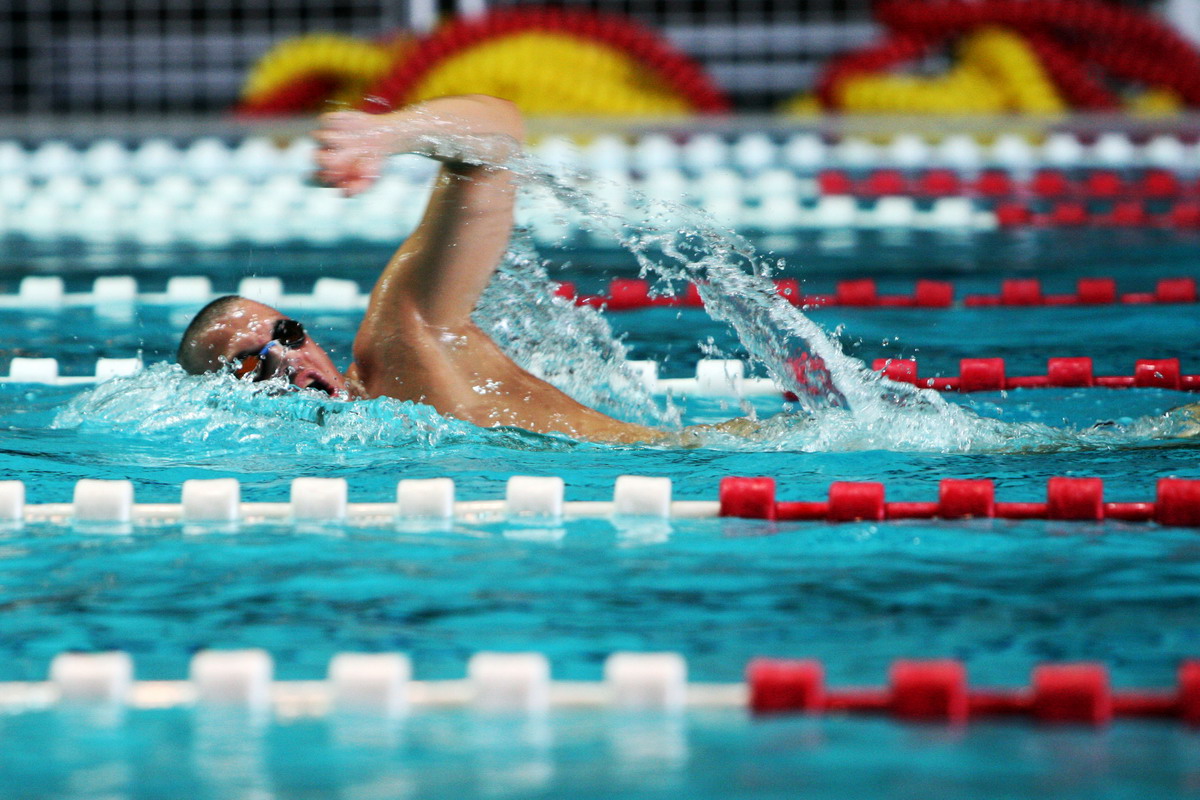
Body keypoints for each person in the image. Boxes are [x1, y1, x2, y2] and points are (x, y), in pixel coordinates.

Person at [176, 95, 664, 443]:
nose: (288, 360)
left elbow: (499, 139)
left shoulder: (402, 344)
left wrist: (387, 133)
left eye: (288, 333)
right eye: (249, 362)